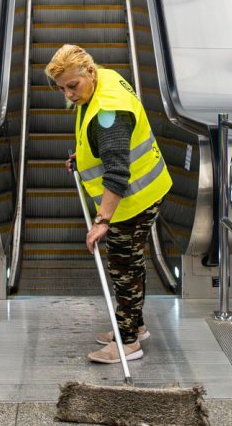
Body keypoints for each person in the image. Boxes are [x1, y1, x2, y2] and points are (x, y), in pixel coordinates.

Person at [45, 44, 172, 364]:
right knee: (130, 263)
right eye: (61, 89)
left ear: (89, 72)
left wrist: (101, 221)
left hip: (134, 199)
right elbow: (110, 146)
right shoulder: (105, 77)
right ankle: (135, 326)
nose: (69, 95)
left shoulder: (108, 113)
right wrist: (84, 156)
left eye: (72, 86)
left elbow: (117, 173)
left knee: (123, 267)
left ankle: (129, 342)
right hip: (145, 188)